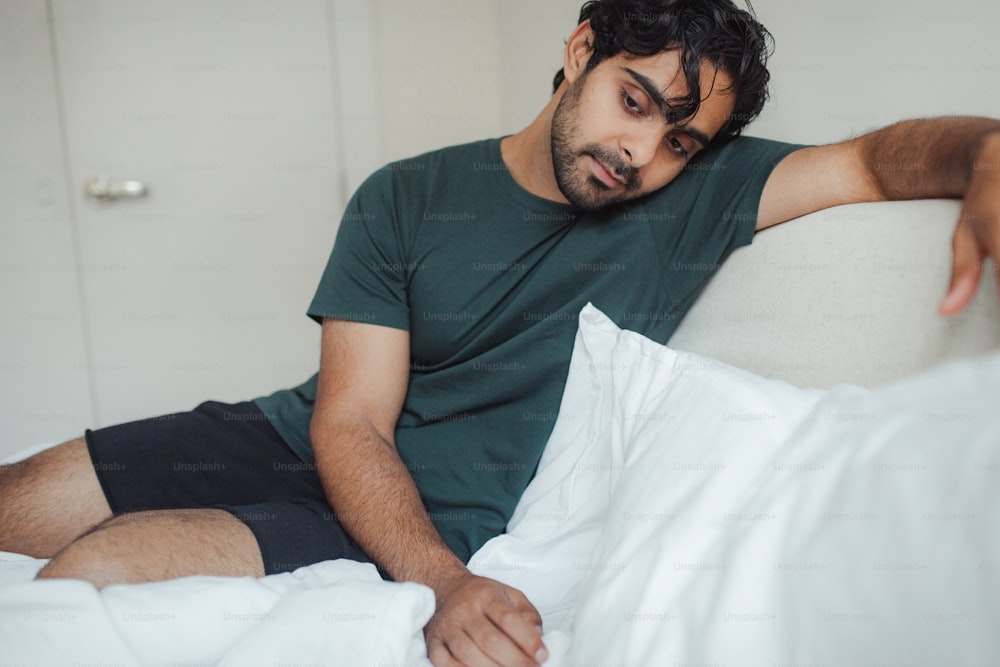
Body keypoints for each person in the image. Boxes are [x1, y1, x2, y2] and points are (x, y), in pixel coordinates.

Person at [2, 1, 998, 665]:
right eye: (634, 99)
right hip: (295, 432)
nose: (641, 151)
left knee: (98, 572)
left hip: (417, 511)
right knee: (16, 503)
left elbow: (878, 161)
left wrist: (989, 149)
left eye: (679, 138)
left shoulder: (706, 196)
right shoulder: (406, 194)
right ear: (579, 51)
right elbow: (347, 421)